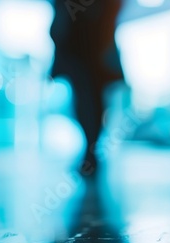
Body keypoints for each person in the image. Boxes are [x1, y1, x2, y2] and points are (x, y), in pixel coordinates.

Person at [50, 0, 125, 175]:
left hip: (90, 47)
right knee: (88, 99)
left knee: (88, 100)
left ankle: (91, 150)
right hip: (84, 48)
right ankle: (91, 150)